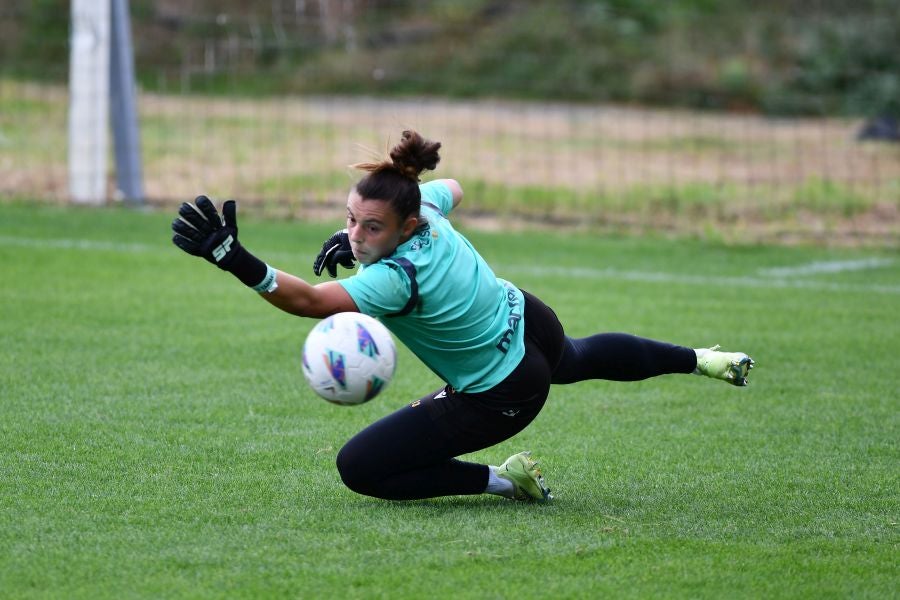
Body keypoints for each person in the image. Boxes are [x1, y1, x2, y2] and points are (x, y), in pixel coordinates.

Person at [171, 130, 754, 503]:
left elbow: (307, 302)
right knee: (576, 356)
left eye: (370, 226)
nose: (354, 233)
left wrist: (234, 258)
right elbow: (454, 184)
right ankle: (705, 359)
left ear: (403, 228)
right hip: (530, 320)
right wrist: (363, 240)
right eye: (349, 219)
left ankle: (505, 478)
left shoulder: (394, 281)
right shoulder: (422, 204)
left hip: (503, 391)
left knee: (360, 468)